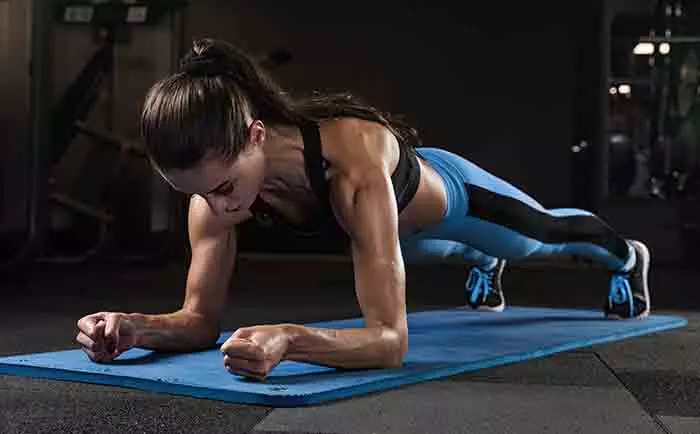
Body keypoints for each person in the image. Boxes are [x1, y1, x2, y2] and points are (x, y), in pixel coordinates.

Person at [75, 38, 651, 381]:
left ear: (254, 135)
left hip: (452, 199)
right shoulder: (213, 197)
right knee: (431, 250)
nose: (217, 206)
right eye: (198, 195)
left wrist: (290, 340)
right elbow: (199, 321)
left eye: (224, 187)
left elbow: (389, 342)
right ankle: (480, 261)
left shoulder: (350, 164)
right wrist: (134, 328)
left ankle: (626, 257)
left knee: (541, 238)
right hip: (404, 239)